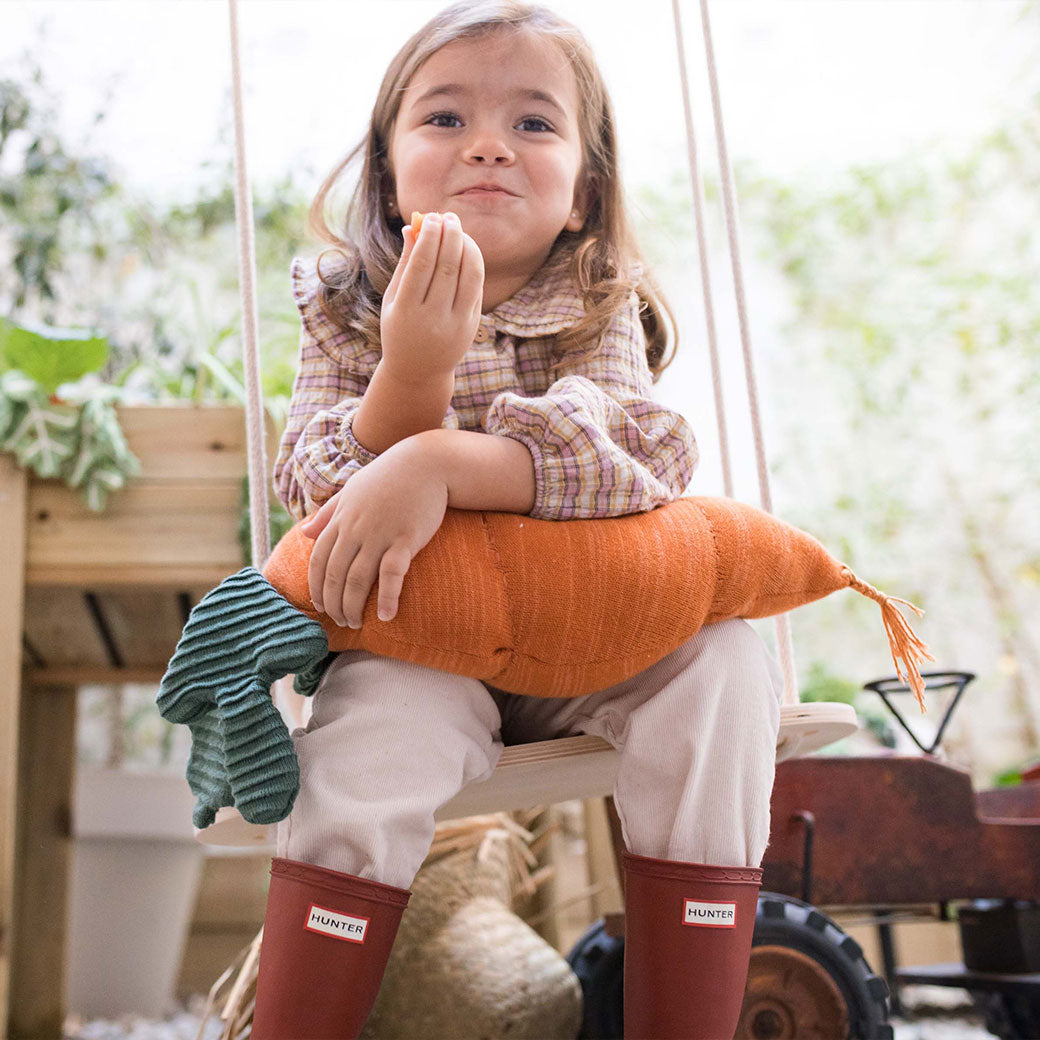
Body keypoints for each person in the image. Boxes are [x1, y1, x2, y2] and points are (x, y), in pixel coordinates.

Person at [254, 2, 782, 1037]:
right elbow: (318, 494)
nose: (487, 142)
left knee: (722, 661)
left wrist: (440, 463)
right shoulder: (341, 305)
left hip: (594, 642)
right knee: (362, 747)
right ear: (388, 168)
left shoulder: (597, 302)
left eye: (532, 124)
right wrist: (411, 372)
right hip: (419, 648)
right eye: (443, 118)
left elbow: (629, 459)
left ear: (583, 191)